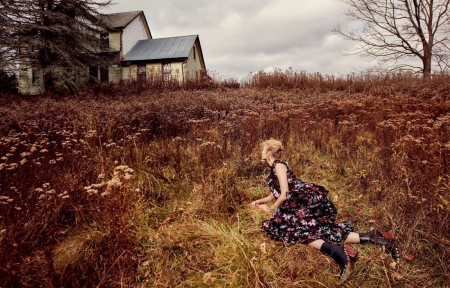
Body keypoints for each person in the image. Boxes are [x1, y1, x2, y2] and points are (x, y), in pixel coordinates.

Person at [250, 139, 399, 282]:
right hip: (299, 202)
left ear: (269, 151)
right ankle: (372, 237)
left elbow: (284, 194)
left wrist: (270, 210)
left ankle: (338, 252)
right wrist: (259, 201)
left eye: (262, 149)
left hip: (307, 202)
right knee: (315, 228)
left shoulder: (278, 166)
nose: (261, 152)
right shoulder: (275, 168)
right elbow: (274, 194)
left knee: (291, 229)